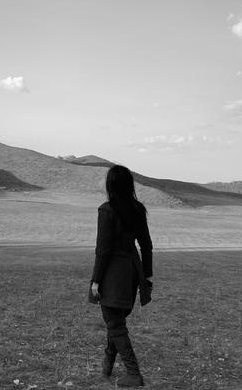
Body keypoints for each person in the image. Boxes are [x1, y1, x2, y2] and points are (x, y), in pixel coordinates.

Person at [90, 165, 153, 387]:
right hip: (132, 273)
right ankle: (107, 366)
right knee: (115, 321)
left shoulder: (107, 210)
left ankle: (133, 373)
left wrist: (96, 280)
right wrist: (147, 276)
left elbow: (103, 250)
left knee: (115, 324)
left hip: (113, 276)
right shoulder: (138, 209)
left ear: (112, 185)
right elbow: (146, 245)